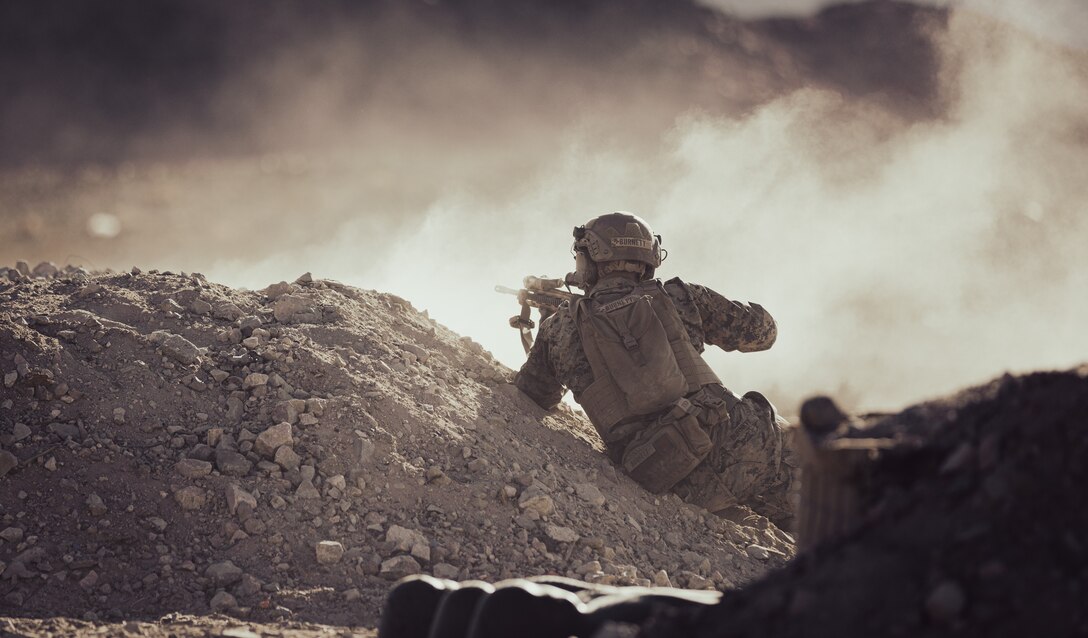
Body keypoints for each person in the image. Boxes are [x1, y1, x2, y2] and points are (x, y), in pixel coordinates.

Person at [514, 212, 795, 528]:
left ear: (588, 259)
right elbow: (763, 333)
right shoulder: (677, 296)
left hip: (673, 479)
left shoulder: (560, 326)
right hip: (744, 444)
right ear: (649, 257)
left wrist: (549, 327)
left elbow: (535, 393)